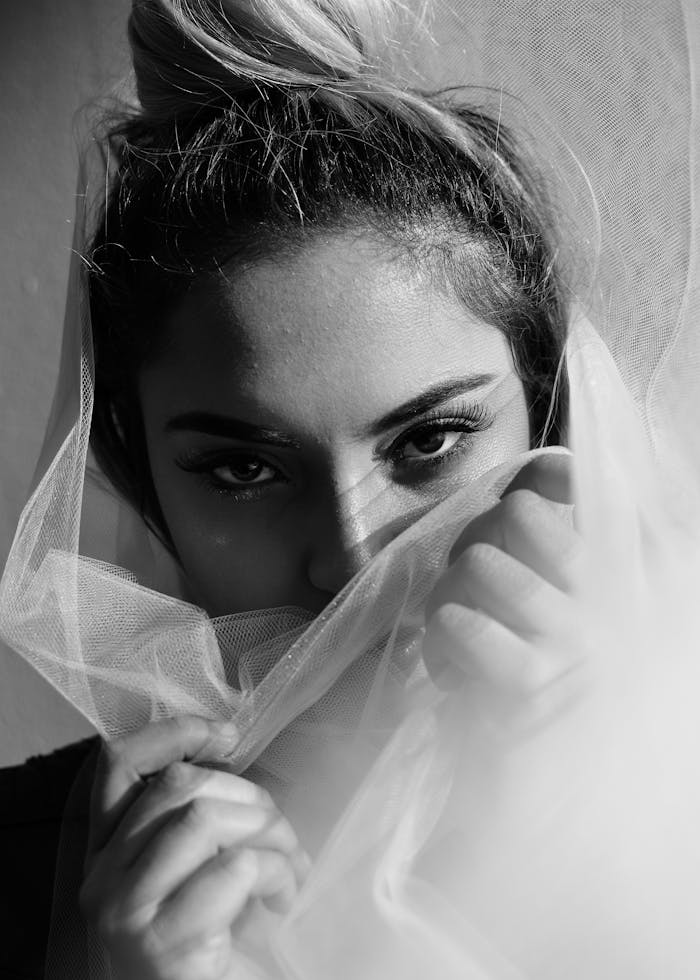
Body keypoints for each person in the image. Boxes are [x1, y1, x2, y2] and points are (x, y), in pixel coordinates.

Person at [1, 0, 699, 977]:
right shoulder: (17, 876)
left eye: (430, 441)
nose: (353, 557)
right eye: (243, 469)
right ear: (133, 474)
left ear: (552, 426)